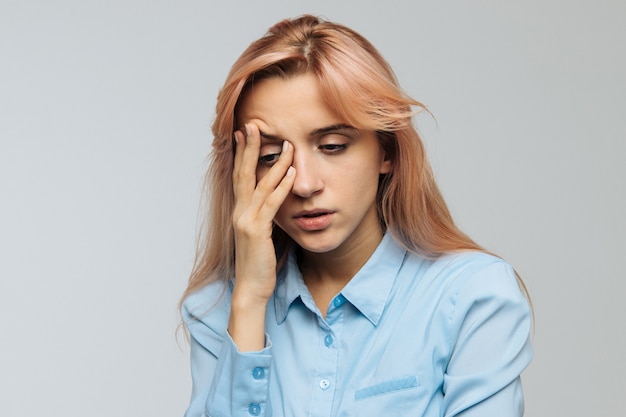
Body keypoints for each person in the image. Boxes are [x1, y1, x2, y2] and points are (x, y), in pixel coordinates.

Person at [180, 14, 533, 417]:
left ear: (386, 150)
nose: (304, 184)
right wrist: (248, 301)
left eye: (331, 146)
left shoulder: (474, 296)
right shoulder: (217, 308)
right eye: (271, 157)